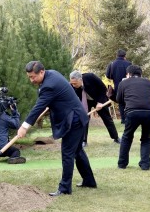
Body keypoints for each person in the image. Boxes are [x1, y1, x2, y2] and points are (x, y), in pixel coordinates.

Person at [17, 60, 97, 196]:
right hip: (77, 116)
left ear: (41, 72)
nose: (31, 80)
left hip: (74, 120)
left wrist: (24, 127)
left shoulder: (49, 85)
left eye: (33, 77)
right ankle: (89, 180)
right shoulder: (52, 74)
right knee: (77, 151)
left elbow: (38, 107)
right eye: (29, 77)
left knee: (67, 153)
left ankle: (65, 188)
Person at [115, 65, 150, 170]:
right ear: (140, 74)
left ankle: (122, 163)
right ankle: (145, 164)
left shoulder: (123, 83)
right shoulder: (149, 82)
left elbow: (119, 99)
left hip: (132, 112)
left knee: (127, 136)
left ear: (128, 74)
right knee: (146, 138)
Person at [69, 70, 120, 144]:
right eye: (72, 83)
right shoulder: (72, 85)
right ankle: (83, 141)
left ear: (80, 79)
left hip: (98, 99)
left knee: (107, 118)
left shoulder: (90, 77)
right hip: (85, 101)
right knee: (84, 119)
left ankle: (116, 138)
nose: (73, 85)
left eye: (75, 83)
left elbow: (103, 89)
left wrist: (100, 102)